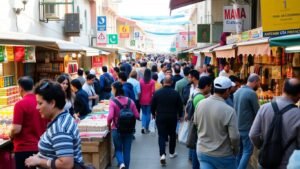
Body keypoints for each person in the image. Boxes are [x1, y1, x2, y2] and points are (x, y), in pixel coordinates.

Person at [25, 80, 83, 169]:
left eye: (40, 103)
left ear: (52, 103)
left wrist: (39, 161)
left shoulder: (60, 128)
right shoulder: (63, 118)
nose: (37, 107)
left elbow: (66, 164)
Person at [250, 78, 300, 169]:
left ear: (283, 89)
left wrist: (264, 145)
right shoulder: (298, 114)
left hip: (265, 162)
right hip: (287, 164)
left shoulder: (264, 108)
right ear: (298, 94)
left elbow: (253, 134)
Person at [194, 76, 239, 169]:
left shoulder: (200, 104)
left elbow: (196, 124)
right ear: (227, 91)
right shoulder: (229, 110)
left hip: (203, 151)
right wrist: (235, 150)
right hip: (223, 155)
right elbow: (234, 136)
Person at [9, 77, 47, 169]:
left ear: (20, 88)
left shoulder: (20, 104)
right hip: (42, 146)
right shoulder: (42, 102)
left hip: (24, 148)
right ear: (33, 87)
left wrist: (10, 133)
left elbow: (16, 129)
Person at [151, 75, 183, 166]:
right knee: (172, 134)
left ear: (163, 82)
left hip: (160, 116)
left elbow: (153, 104)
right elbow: (180, 106)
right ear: (172, 82)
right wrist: (180, 115)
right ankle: (172, 153)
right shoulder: (175, 93)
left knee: (161, 135)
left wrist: (153, 113)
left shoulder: (157, 93)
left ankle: (162, 154)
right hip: (172, 117)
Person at [107, 81, 140, 169]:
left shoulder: (112, 102)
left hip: (116, 129)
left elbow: (110, 116)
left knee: (118, 149)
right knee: (127, 150)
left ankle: (121, 163)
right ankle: (126, 167)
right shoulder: (130, 101)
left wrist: (108, 125)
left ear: (114, 89)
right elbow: (137, 116)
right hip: (129, 130)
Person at [234, 73, 261, 169]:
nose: (259, 85)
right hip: (246, 127)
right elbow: (258, 112)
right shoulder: (251, 93)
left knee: (240, 151)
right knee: (247, 151)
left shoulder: (237, 91)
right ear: (255, 82)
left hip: (237, 126)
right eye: (259, 83)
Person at [189, 76, 213, 169]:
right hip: (200, 128)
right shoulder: (200, 98)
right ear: (206, 86)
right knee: (196, 150)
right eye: (210, 86)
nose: (211, 88)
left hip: (198, 127)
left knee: (196, 149)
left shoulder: (198, 94)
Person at [139, 68, 155, 134]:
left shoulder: (141, 81)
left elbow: (139, 91)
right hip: (149, 100)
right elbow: (153, 91)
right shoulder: (152, 81)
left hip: (142, 99)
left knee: (143, 113)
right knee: (148, 114)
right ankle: (147, 127)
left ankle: (143, 126)